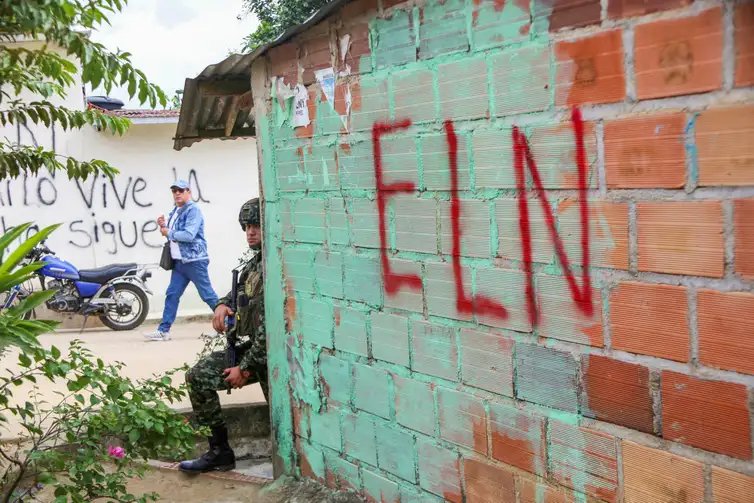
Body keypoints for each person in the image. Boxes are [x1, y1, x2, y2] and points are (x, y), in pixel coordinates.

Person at [179, 198, 267, 473]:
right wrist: (221, 304)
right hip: (256, 351)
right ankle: (219, 451)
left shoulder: (275, 266)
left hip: (272, 357)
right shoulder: (254, 266)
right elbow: (237, 293)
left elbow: (270, 330)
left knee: (286, 421)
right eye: (247, 227)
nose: (250, 232)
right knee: (198, 376)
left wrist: (245, 369)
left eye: (256, 226)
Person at [144, 179, 218, 342]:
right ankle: (164, 331)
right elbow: (172, 231)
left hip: (194, 261)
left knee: (207, 294)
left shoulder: (193, 210)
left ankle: (228, 324)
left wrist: (168, 232)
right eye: (174, 190)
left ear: (188, 192)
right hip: (179, 262)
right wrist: (164, 225)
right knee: (172, 294)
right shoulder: (176, 211)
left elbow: (189, 235)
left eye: (180, 190)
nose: (177, 193)